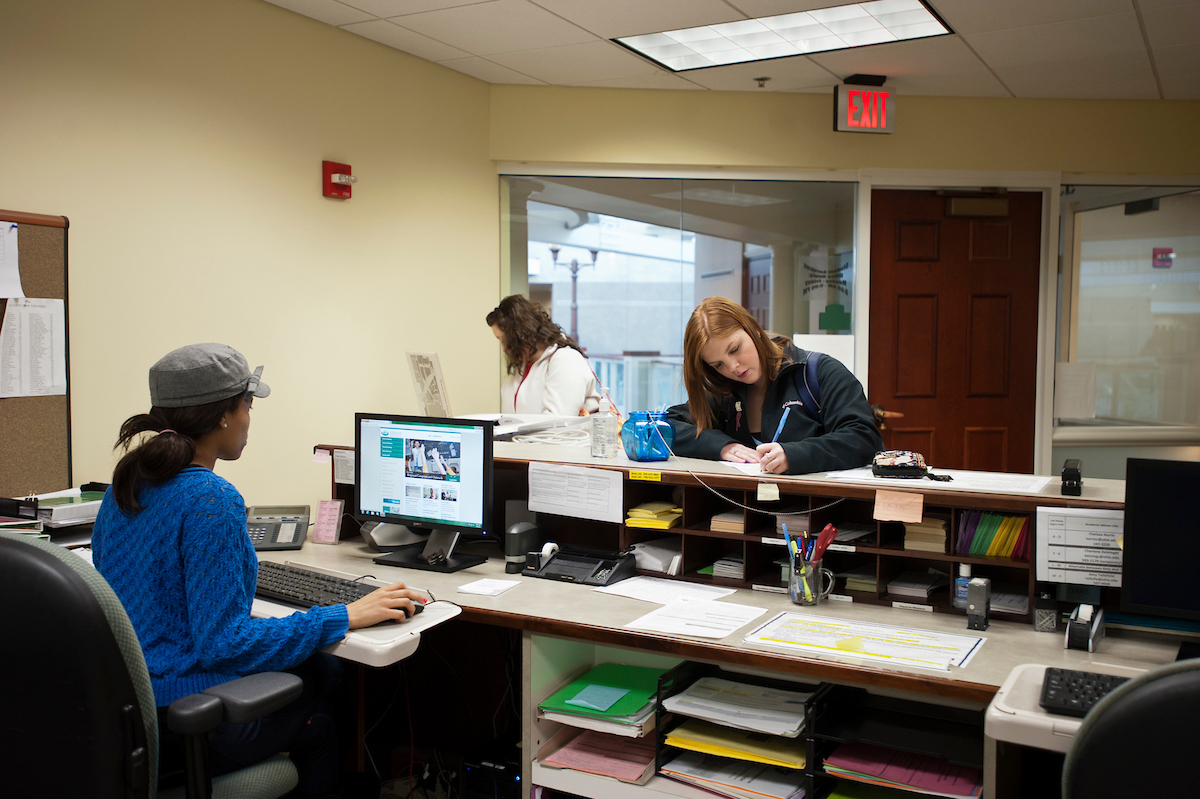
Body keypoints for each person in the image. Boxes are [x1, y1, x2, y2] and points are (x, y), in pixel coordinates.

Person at [91, 343, 425, 798]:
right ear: (224, 416)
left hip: (133, 714)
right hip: (190, 719)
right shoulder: (210, 499)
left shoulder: (124, 486)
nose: (250, 418)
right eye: (248, 405)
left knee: (316, 718)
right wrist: (343, 615)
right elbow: (223, 644)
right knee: (328, 678)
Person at [668, 297, 882, 475]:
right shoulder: (725, 391)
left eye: (735, 349)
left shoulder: (821, 372)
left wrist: (795, 455)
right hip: (748, 515)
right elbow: (663, 427)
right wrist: (721, 446)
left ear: (754, 329)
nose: (733, 367)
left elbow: (863, 438)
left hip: (822, 515)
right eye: (718, 364)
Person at [487, 294, 601, 416]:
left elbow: (558, 424)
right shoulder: (522, 368)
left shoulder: (567, 360)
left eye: (504, 340)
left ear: (521, 334)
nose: (503, 349)